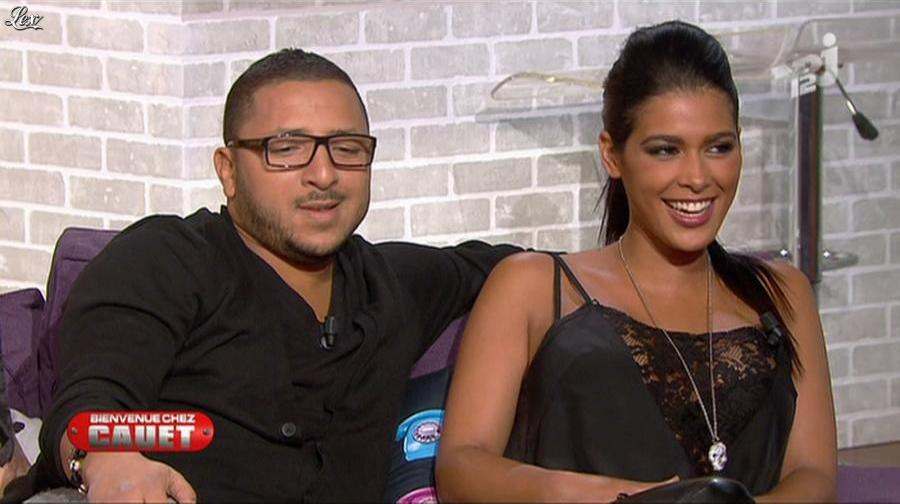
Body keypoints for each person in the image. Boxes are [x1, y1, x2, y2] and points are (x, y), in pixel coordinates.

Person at [23, 49, 518, 502]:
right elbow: (93, 399)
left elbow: (529, 269)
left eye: (347, 148)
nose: (323, 175)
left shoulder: (393, 284)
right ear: (228, 170)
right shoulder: (168, 257)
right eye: (286, 148)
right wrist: (108, 460)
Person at [436, 20, 837, 502]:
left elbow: (813, 475)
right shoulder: (532, 286)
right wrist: (616, 497)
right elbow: (462, 468)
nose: (697, 177)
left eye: (719, 147)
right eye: (665, 150)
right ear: (612, 155)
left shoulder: (782, 292)